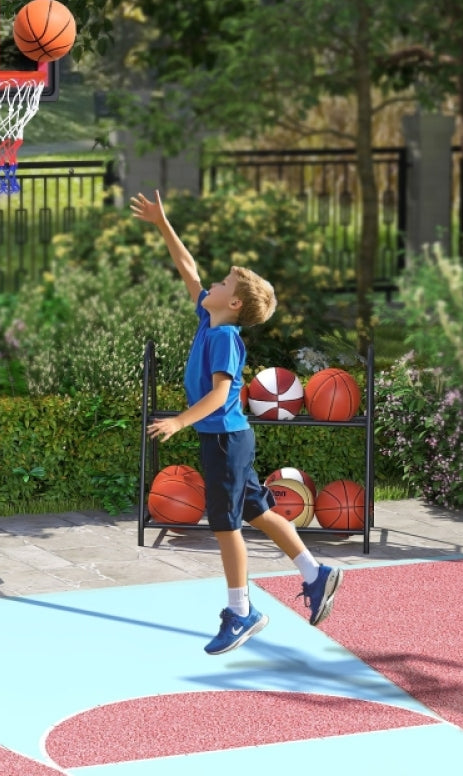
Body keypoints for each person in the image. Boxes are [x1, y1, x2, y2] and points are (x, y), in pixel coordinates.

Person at [130, 190, 341, 655]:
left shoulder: (225, 335)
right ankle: (315, 572)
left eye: (224, 284)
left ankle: (242, 611)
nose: (213, 286)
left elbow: (223, 393)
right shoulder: (211, 320)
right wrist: (163, 224)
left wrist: (179, 422)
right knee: (258, 512)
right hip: (231, 439)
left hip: (223, 440)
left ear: (236, 305)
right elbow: (189, 269)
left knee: (227, 527)